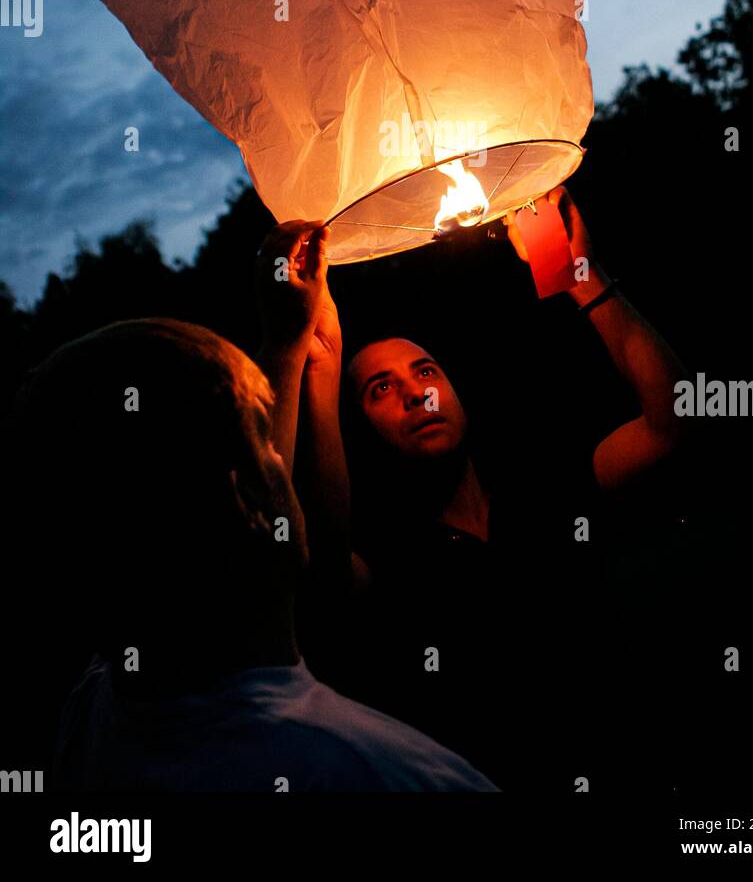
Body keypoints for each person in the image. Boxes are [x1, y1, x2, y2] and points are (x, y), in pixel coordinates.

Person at [256, 186, 694, 790]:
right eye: (380, 389)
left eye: (426, 371)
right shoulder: (387, 563)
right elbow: (315, 564)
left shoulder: (543, 490)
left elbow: (673, 424)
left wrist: (581, 276)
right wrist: (318, 364)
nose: (417, 393)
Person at [13, 313, 496, 792]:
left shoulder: (95, 708)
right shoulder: (378, 773)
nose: (282, 463)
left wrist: (289, 347)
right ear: (247, 495)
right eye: (266, 441)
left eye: (426, 371)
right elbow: (328, 564)